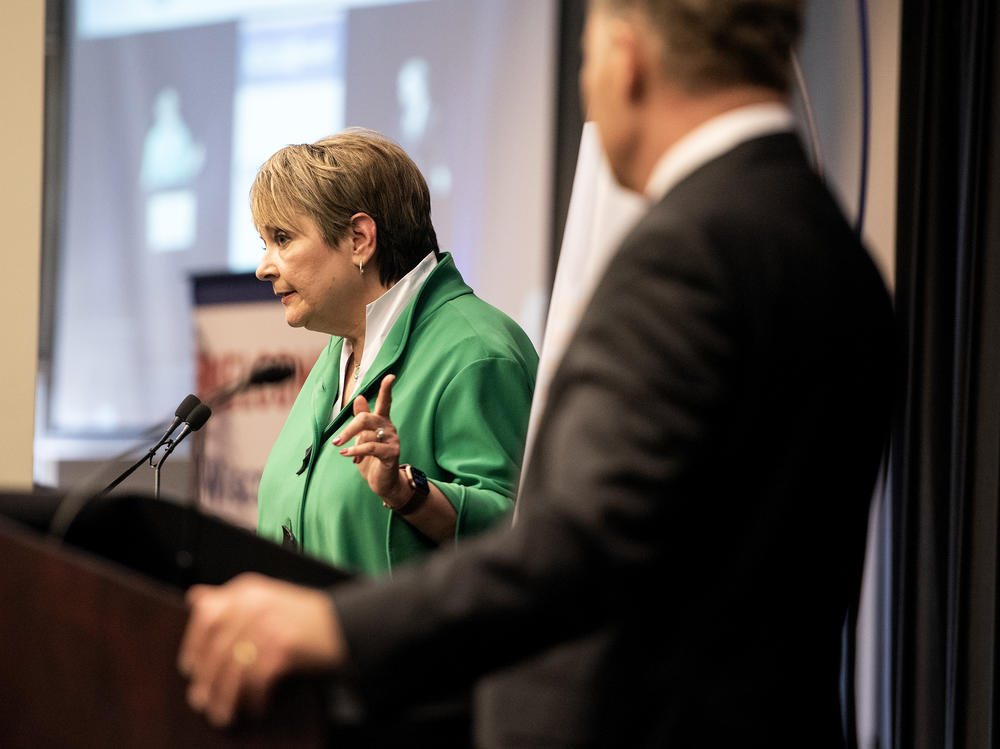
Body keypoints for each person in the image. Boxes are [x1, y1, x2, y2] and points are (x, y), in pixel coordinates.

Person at [178, 1, 896, 746]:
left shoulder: (688, 257)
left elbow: (577, 546)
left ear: (628, 55)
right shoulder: (834, 251)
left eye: (583, 59)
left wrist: (333, 625)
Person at [249, 129, 538, 574]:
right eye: (264, 243)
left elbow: (524, 536)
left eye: (282, 239)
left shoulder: (478, 352)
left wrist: (407, 492)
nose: (263, 267)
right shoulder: (342, 350)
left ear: (359, 238)